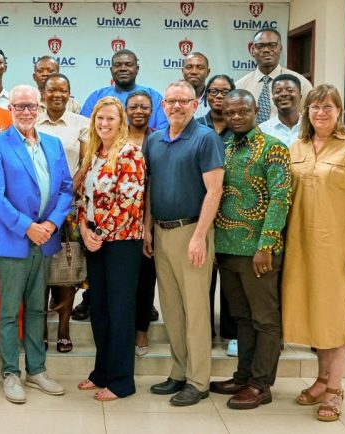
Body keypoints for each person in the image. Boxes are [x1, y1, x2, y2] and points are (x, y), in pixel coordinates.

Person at [283, 84, 345, 422]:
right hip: (301, 248)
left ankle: (335, 389)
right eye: (314, 107)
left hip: (338, 249)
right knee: (318, 315)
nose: (321, 113)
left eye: (328, 107)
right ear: (306, 112)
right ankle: (322, 380)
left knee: (336, 319)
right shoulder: (298, 146)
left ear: (340, 112)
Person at [0, 84, 73, 404]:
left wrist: (49, 225)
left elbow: (65, 190)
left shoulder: (53, 143)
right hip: (11, 240)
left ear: (40, 108)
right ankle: (10, 372)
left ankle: (36, 369)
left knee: (36, 308)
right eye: (19, 106)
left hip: (45, 239)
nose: (26, 112)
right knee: (9, 311)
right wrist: (26, 227)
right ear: (10, 109)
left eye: (31, 106)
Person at [143, 81, 224, 406]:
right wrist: (148, 228)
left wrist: (199, 237)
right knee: (173, 309)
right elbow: (150, 186)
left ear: (195, 104)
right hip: (161, 233)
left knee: (195, 310)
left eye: (184, 101)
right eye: (171, 101)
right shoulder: (154, 140)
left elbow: (214, 191)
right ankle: (178, 371)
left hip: (192, 233)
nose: (176, 106)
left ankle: (198, 380)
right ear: (163, 106)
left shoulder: (206, 138)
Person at [209, 90, 291, 410]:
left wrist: (266, 245)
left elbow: (280, 199)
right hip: (227, 249)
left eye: (243, 111)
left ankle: (261, 385)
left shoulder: (273, 149)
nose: (237, 117)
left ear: (255, 110)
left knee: (265, 319)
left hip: (258, 250)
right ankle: (243, 376)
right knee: (241, 317)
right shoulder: (224, 147)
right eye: (230, 113)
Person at [76, 97, 145, 401]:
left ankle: (121, 381)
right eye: (99, 119)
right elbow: (82, 198)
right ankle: (101, 371)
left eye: (110, 119)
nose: (104, 124)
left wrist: (99, 233)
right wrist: (83, 230)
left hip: (122, 244)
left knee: (119, 311)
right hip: (94, 240)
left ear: (121, 123)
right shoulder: (93, 154)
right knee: (100, 309)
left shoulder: (130, 154)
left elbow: (130, 204)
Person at [35, 73, 90, 352]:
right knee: (40, 267)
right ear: (42, 92)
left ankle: (64, 328)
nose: (57, 94)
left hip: (68, 207)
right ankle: (40, 327)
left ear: (70, 93)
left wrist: (69, 191)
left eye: (63, 90)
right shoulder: (31, 120)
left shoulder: (82, 123)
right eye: (52, 90)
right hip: (36, 207)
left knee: (67, 270)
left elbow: (85, 161)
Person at [197, 74, 238, 356]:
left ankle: (231, 333)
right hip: (203, 208)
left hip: (234, 210)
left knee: (232, 275)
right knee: (203, 275)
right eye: (213, 91)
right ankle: (204, 331)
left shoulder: (241, 127)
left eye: (225, 91)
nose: (218, 96)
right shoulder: (196, 126)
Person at [125, 90, 158, 357]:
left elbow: (154, 184)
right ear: (125, 110)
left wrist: (147, 226)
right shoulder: (114, 136)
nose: (139, 111)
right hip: (117, 221)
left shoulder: (158, 139)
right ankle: (122, 330)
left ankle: (141, 331)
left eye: (144, 107)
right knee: (122, 280)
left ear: (152, 110)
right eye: (133, 106)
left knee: (146, 279)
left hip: (148, 219)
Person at [236, 29, 313, 124]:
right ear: (252, 50)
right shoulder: (240, 87)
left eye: (272, 45)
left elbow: (310, 119)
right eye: (260, 46)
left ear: (280, 48)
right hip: (251, 138)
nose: (266, 50)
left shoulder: (301, 83)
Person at [81, 49, 167, 130]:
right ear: (111, 70)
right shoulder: (96, 97)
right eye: (118, 65)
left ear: (137, 69)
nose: (123, 69)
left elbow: (162, 132)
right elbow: (85, 131)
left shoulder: (154, 97)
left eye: (128, 65)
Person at [259, 74, 303, 147]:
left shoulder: (311, 127)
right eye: (278, 91)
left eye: (290, 90)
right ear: (273, 99)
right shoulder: (263, 130)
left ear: (300, 97)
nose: (284, 94)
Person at [181, 52, 211, 118]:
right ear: (182, 71)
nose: (194, 72)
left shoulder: (214, 100)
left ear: (208, 72)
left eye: (200, 68)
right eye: (189, 67)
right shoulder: (171, 99)